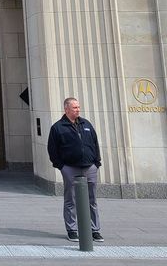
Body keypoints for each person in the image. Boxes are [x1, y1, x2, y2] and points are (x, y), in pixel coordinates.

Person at [46, 97, 103, 243]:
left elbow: (95, 143)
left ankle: (94, 230)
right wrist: (61, 166)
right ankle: (72, 230)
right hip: (70, 168)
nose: (78, 109)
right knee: (70, 199)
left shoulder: (86, 124)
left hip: (89, 167)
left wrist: (96, 163)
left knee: (92, 199)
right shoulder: (58, 127)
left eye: (78, 107)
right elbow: (52, 150)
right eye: (75, 107)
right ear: (66, 109)